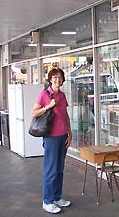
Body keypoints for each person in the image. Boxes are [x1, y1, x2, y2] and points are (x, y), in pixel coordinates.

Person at [31, 68, 72, 214]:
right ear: (50, 79)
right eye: (54, 77)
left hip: (63, 136)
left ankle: (57, 197)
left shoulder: (62, 95)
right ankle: (47, 201)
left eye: (59, 77)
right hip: (51, 138)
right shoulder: (44, 94)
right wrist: (48, 106)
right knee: (51, 170)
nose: (57, 79)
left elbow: (65, 115)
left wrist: (70, 132)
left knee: (60, 169)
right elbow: (33, 112)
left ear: (62, 80)